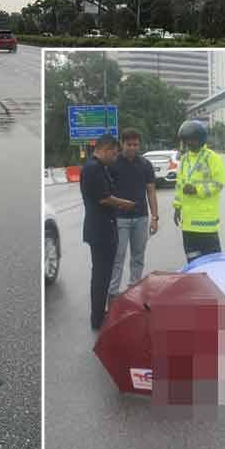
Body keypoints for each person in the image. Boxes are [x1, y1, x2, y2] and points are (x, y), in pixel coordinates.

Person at [80, 134, 135, 329]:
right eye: (113, 152)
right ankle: (97, 318)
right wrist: (124, 204)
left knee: (102, 275)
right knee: (101, 276)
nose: (115, 157)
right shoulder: (93, 168)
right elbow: (103, 198)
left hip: (103, 228)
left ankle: (99, 313)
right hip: (100, 230)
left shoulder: (98, 167)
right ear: (104, 149)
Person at [108, 129, 158, 305]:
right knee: (118, 257)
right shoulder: (113, 164)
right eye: (129, 144)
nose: (132, 148)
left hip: (141, 218)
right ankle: (113, 294)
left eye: (135, 145)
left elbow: (151, 191)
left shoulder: (145, 164)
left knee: (138, 256)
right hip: (119, 218)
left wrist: (155, 217)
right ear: (122, 144)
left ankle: (134, 290)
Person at [173, 120, 225, 262]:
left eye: (192, 139)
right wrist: (177, 207)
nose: (189, 143)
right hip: (188, 224)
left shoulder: (212, 158)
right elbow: (179, 185)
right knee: (193, 262)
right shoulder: (184, 160)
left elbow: (219, 183)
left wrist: (197, 189)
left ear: (201, 139)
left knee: (212, 264)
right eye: (186, 140)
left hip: (206, 223)